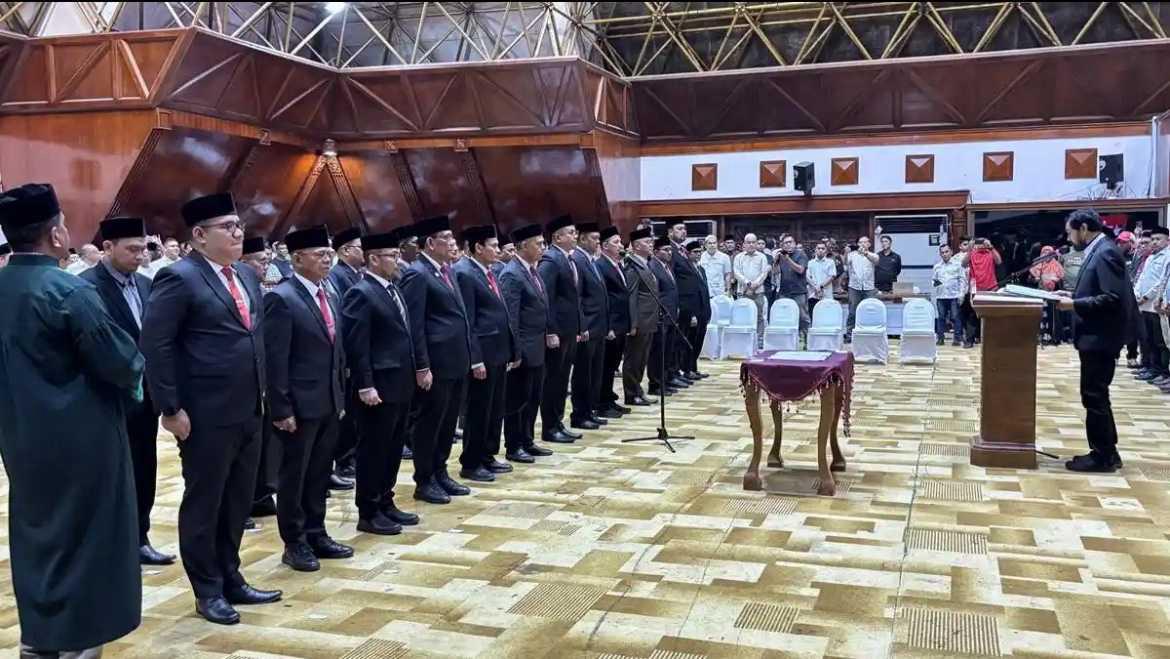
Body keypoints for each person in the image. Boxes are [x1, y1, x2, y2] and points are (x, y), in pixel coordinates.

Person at [0, 184, 145, 655]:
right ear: (57, 234)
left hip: (20, 437)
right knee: (88, 539)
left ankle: (38, 636)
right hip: (83, 442)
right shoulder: (68, 290)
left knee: (36, 534)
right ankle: (77, 639)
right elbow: (120, 361)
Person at [140, 192, 281, 626]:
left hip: (249, 408)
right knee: (206, 502)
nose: (238, 233)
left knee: (238, 501)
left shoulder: (245, 275)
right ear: (200, 235)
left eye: (239, 225)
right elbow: (156, 344)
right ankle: (207, 590)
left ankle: (231, 576)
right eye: (227, 226)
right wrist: (170, 407)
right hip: (204, 414)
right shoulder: (179, 277)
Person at [78, 217, 173, 567]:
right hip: (106, 398)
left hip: (144, 398)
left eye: (143, 249)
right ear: (107, 247)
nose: (140, 256)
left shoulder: (148, 284)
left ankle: (140, 537)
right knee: (109, 474)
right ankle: (109, 544)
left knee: (145, 468)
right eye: (132, 249)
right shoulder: (85, 287)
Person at [262, 226, 353, 572]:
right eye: (320, 254)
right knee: (294, 476)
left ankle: (317, 532)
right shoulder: (282, 298)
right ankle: (294, 541)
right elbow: (276, 360)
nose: (327, 259)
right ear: (297, 258)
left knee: (319, 472)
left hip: (328, 400)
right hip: (298, 406)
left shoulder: (329, 292)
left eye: (329, 253)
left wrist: (339, 396)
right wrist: (281, 408)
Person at [341, 228, 420, 535]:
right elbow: (357, 344)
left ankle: (386, 501)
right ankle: (369, 510)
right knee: (373, 450)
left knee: (392, 448)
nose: (397, 260)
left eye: (397, 255)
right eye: (391, 255)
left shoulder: (392, 289)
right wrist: (365, 384)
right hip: (378, 386)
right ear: (373, 259)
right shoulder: (360, 293)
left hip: (399, 382)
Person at [399, 215, 472, 505]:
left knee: (447, 422)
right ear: (430, 242)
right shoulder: (417, 274)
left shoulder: (446, 270)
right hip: (435, 363)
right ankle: (425, 479)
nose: (453, 243)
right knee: (429, 423)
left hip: (455, 360)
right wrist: (422, 365)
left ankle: (441, 471)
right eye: (447, 238)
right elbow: (414, 325)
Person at [1055, 209, 1136, 472]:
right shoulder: (1100, 250)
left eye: (1070, 232)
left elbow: (1112, 298)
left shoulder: (1105, 252)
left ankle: (1102, 456)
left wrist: (1074, 304)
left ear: (1083, 228)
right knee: (1096, 395)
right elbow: (1100, 291)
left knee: (1094, 396)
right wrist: (1073, 295)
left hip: (1101, 336)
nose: (1069, 238)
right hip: (1097, 336)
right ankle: (1107, 451)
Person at [453, 224, 518, 482]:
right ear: (478, 247)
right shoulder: (464, 273)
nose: (498, 250)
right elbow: (468, 320)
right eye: (493, 246)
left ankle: (487, 454)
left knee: (494, 408)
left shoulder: (489, 271)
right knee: (479, 409)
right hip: (483, 354)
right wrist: (475, 358)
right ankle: (471, 461)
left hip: (498, 352)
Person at [498, 224, 554, 463]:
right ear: (522, 246)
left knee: (533, 398)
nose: (543, 247)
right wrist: (516, 352)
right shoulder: (512, 274)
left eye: (543, 243)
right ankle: (514, 445)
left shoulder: (533, 269)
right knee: (517, 399)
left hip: (537, 346)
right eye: (538, 243)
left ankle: (527, 440)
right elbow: (511, 317)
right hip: (523, 349)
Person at [538, 214, 585, 444]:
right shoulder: (551, 260)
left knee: (562, 380)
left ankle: (558, 422)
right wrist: (550, 331)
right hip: (557, 332)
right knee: (554, 381)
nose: (575, 236)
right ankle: (550, 427)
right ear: (557, 237)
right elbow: (545, 298)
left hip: (569, 330)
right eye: (571, 233)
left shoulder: (567, 259)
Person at [569, 222, 611, 430]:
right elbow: (577, 297)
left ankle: (590, 410)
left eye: (598, 239)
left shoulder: (591, 260)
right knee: (583, 374)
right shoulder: (577, 260)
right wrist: (582, 325)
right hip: (587, 328)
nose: (597, 242)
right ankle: (579, 414)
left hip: (598, 327)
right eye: (594, 238)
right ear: (582, 239)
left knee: (595, 373)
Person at [595, 226, 631, 419]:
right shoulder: (601, 265)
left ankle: (609, 399)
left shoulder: (618, 265)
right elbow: (605, 299)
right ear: (605, 246)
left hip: (621, 323)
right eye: (616, 242)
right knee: (606, 366)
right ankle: (602, 403)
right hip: (611, 325)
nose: (620, 245)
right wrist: (608, 326)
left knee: (614, 363)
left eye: (620, 242)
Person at [623, 227, 658, 406]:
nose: (651, 244)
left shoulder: (646, 263)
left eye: (651, 241)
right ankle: (631, 393)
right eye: (647, 242)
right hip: (640, 321)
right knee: (634, 358)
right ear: (636, 246)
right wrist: (633, 323)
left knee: (642, 358)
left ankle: (638, 390)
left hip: (649, 319)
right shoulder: (633, 267)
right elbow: (632, 296)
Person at [668, 222, 708, 381]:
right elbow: (674, 281)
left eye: (684, 229)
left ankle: (688, 369)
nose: (683, 231)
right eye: (679, 228)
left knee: (692, 340)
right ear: (670, 231)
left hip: (696, 306)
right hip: (683, 306)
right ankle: (676, 372)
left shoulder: (682, 252)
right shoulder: (671, 251)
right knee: (679, 342)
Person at [1133, 227, 1169, 388]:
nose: (1154, 242)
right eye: (1153, 239)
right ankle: (1151, 368)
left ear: (1167, 240)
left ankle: (1162, 371)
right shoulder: (1150, 258)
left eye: (1158, 239)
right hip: (1144, 306)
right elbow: (1142, 278)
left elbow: (1161, 281)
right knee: (1149, 340)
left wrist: (1146, 297)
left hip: (1157, 305)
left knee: (1161, 342)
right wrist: (1136, 295)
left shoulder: (1167, 257)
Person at [648, 237, 683, 397]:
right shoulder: (653, 267)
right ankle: (655, 384)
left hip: (671, 315)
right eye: (666, 250)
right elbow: (656, 293)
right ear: (656, 252)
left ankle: (666, 380)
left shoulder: (667, 266)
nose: (670, 252)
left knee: (668, 350)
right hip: (660, 316)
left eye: (670, 250)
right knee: (658, 352)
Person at [960, 237, 1002, 348]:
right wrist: (970, 249)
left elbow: (999, 261)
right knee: (972, 315)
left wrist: (991, 246)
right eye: (979, 243)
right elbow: (963, 264)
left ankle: (992, 340)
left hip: (991, 287)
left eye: (983, 243)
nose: (981, 245)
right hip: (976, 289)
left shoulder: (990, 252)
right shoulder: (972, 253)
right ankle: (970, 340)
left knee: (991, 316)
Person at [683, 238, 712, 376]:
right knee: (691, 341)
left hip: (703, 310)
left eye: (700, 251)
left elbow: (705, 291)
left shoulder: (701, 269)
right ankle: (687, 369)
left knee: (699, 340)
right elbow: (689, 293)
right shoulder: (687, 269)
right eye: (695, 252)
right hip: (694, 311)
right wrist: (692, 314)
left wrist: (708, 312)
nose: (698, 254)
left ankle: (694, 368)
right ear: (688, 253)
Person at [733, 233, 768, 337]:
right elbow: (737, 273)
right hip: (743, 291)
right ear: (744, 244)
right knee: (743, 315)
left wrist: (754, 285)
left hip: (758, 292)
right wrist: (748, 283)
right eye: (748, 242)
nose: (751, 244)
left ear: (756, 243)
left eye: (753, 242)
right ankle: (745, 338)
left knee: (759, 316)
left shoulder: (762, 257)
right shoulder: (738, 257)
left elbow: (764, 273)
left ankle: (759, 338)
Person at [772, 235, 810, 332]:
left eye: (790, 242)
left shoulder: (801, 254)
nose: (788, 244)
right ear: (782, 245)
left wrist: (788, 259)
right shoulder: (781, 256)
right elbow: (775, 272)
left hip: (799, 291)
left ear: (795, 244)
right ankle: (787, 337)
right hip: (784, 292)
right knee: (784, 315)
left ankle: (804, 337)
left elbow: (800, 270)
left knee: (802, 317)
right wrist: (775, 262)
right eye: (786, 243)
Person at [845, 235, 879, 339]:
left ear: (869, 244)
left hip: (869, 288)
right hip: (854, 287)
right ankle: (850, 334)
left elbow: (876, 261)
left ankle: (869, 332)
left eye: (865, 242)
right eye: (860, 242)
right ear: (857, 244)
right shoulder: (852, 255)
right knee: (852, 311)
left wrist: (865, 253)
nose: (862, 244)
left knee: (870, 310)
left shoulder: (873, 255)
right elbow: (845, 263)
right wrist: (846, 253)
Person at [932, 244, 966, 346]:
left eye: (946, 252)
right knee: (941, 317)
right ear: (940, 254)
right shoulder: (937, 266)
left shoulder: (958, 265)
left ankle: (957, 338)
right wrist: (939, 284)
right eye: (942, 252)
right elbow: (933, 280)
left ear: (951, 252)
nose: (944, 254)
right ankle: (940, 338)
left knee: (955, 317)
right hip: (941, 296)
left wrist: (961, 294)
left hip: (954, 295)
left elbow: (962, 280)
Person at [806, 242, 836, 317]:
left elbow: (832, 276)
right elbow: (807, 277)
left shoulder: (830, 262)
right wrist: (816, 287)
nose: (820, 250)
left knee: (826, 316)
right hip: (813, 293)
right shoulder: (810, 263)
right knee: (813, 316)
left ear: (826, 250)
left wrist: (821, 286)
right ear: (815, 250)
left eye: (823, 248)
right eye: (818, 248)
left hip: (826, 293)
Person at [699, 234, 732, 299]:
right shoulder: (700, 257)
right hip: (705, 290)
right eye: (710, 243)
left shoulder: (725, 257)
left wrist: (728, 290)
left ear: (717, 244)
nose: (712, 245)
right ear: (705, 245)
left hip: (720, 290)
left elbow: (728, 274)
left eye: (714, 243)